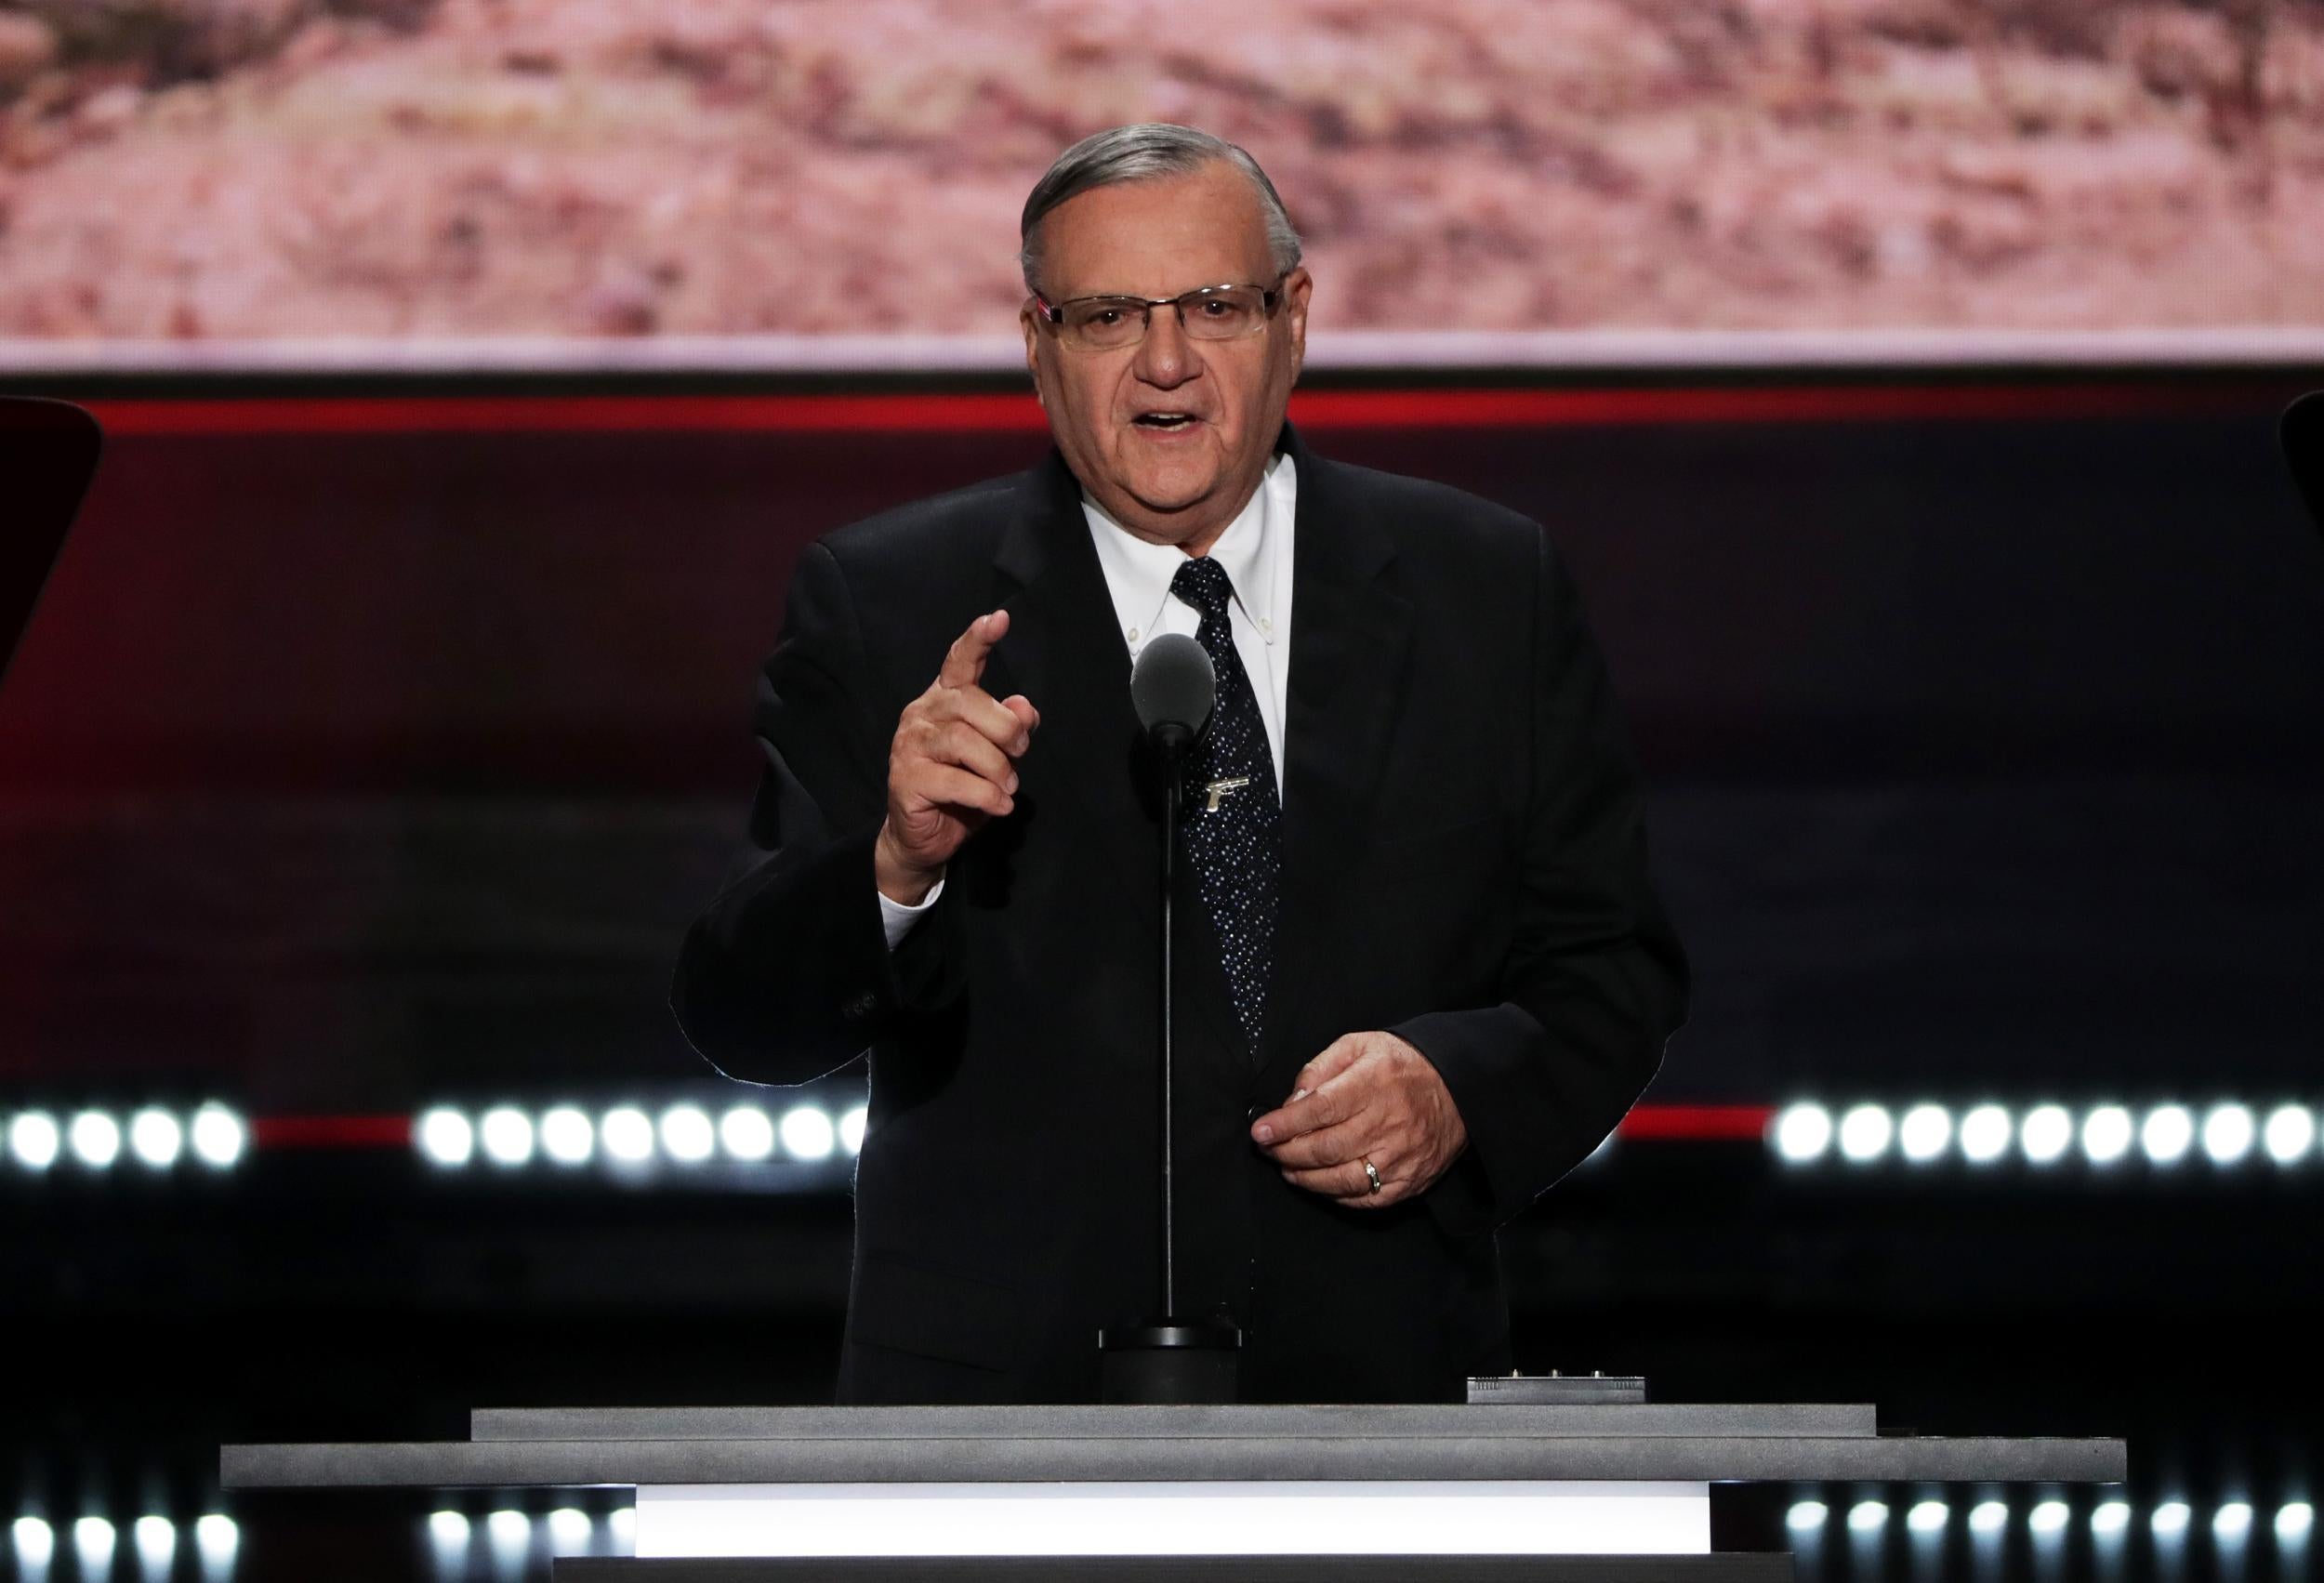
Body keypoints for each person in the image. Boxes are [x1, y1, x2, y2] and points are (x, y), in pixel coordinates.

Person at [672, 124, 1688, 1405]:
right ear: (1039, 346)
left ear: (1294, 318)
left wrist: (1457, 1091)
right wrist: (896, 864)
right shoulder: (890, 603)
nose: (1166, 364)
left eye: (1214, 305)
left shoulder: (1487, 587)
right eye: (1107, 317)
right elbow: (742, 1016)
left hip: (1380, 1404)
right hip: (1005, 1420)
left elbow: (1611, 969)